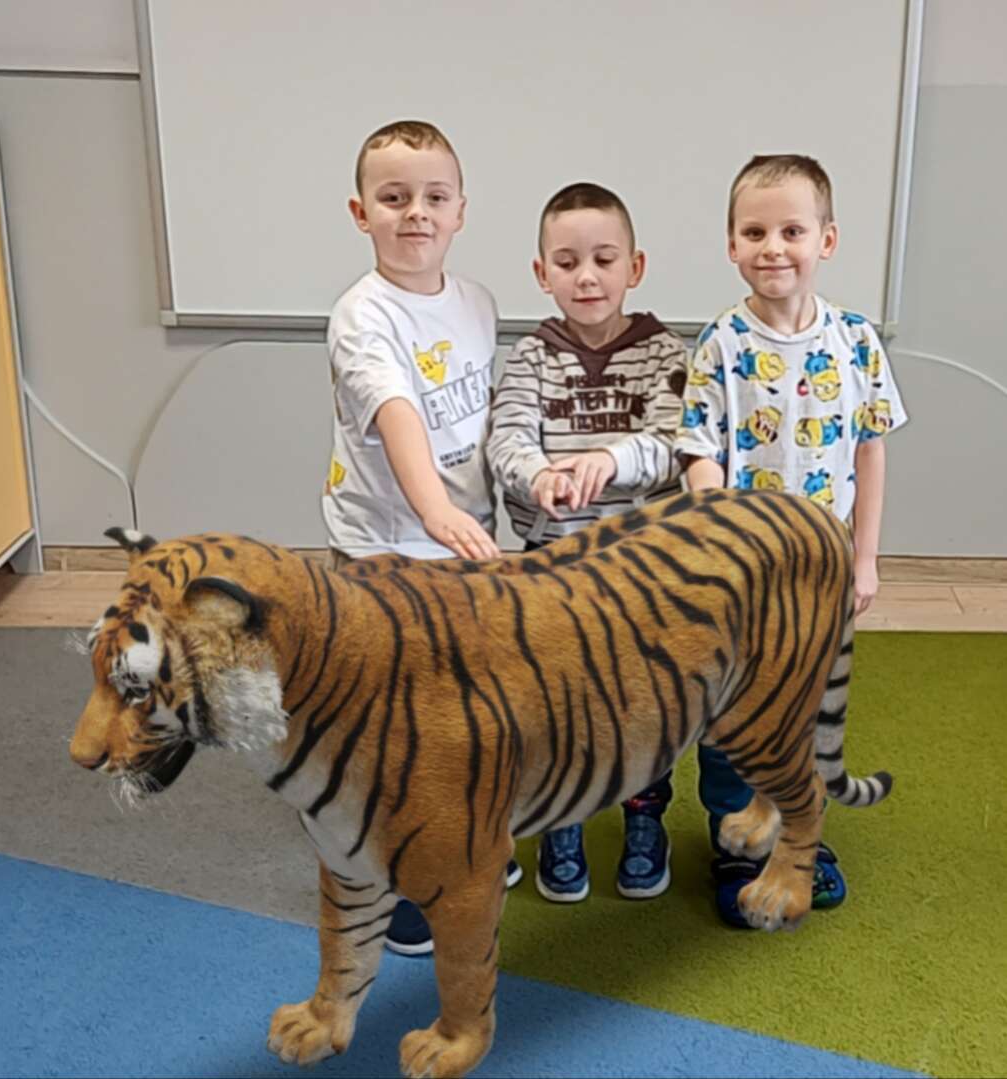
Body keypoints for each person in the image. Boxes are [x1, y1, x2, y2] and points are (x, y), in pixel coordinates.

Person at [673, 153, 908, 927]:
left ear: (826, 240)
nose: (773, 247)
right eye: (754, 232)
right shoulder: (720, 343)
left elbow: (870, 451)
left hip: (821, 576)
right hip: (742, 580)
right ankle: (735, 843)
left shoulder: (856, 340)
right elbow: (698, 451)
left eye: (792, 231)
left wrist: (865, 557)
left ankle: (796, 843)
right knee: (732, 713)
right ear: (731, 244)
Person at [321, 119, 520, 956]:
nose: (416, 213)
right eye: (395, 197)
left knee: (461, 707)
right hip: (384, 549)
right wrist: (435, 509)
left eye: (435, 197)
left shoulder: (478, 303)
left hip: (465, 548)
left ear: (461, 210)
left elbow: (487, 415)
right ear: (360, 212)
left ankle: (467, 838)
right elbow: (399, 411)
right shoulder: (360, 316)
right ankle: (399, 875)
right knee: (391, 723)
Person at [487, 182, 688, 904]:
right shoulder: (531, 357)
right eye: (567, 262)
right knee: (554, 705)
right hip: (553, 572)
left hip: (644, 574)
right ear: (542, 273)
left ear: (635, 266)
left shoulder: (665, 353)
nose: (587, 277)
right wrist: (537, 474)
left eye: (604, 259)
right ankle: (562, 821)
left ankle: (644, 820)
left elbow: (674, 442)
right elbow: (506, 438)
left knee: (647, 707)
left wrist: (611, 459)